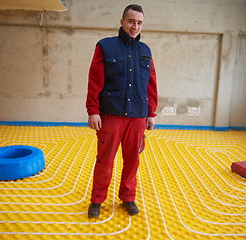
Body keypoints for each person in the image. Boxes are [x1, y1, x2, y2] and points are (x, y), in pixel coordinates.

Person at [85, 4, 158, 218]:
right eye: (131, 21)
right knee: (105, 160)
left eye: (139, 23)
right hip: (110, 114)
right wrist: (93, 110)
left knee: (132, 160)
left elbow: (151, 84)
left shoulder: (145, 51)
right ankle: (97, 200)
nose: (135, 26)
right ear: (122, 22)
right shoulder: (105, 47)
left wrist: (151, 113)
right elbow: (95, 80)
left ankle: (128, 197)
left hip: (137, 115)